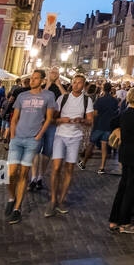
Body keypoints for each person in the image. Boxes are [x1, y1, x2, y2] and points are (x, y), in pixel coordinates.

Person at [4, 69, 56, 224]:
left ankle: (17, 208)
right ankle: (11, 197)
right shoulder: (22, 96)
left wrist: (39, 135)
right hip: (17, 138)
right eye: (31, 78)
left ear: (42, 80)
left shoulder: (48, 96)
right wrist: (12, 134)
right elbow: (15, 117)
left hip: (33, 140)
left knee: (23, 174)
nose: (32, 81)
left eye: (35, 79)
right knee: (11, 173)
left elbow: (49, 118)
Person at [108, 87, 134, 234]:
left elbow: (112, 123)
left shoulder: (125, 113)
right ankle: (125, 222)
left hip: (124, 154)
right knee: (131, 190)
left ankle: (114, 219)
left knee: (123, 187)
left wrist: (119, 132)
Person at [48, 75, 92, 216]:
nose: (76, 85)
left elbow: (90, 121)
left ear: (84, 86)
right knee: (56, 168)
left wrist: (82, 120)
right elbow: (52, 118)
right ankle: (53, 200)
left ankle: (62, 199)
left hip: (75, 137)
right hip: (60, 135)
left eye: (80, 83)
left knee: (69, 168)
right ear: (71, 84)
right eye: (75, 82)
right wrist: (62, 119)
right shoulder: (63, 98)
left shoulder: (87, 100)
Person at [89, 83, 119, 173]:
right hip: (109, 125)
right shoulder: (115, 100)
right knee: (104, 146)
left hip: (99, 124)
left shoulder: (100, 100)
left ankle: (84, 162)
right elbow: (116, 112)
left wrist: (93, 123)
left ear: (103, 88)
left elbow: (95, 113)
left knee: (91, 143)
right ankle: (102, 166)